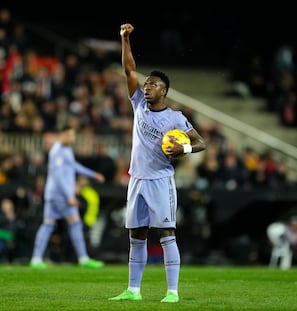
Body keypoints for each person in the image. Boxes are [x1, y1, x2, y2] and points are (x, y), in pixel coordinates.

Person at [109, 23, 206, 303]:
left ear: (164, 91)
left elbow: (201, 142)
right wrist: (125, 39)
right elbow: (129, 70)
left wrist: (183, 147)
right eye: (147, 83)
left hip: (161, 180)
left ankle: (172, 292)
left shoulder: (175, 118)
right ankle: (133, 290)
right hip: (137, 178)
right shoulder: (138, 103)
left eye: (153, 84)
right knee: (136, 235)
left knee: (166, 233)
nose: (147, 87)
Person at [29, 125, 105, 269]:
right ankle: (83, 259)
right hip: (60, 195)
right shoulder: (57, 151)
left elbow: (74, 166)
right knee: (75, 224)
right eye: (69, 135)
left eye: (73, 135)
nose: (72, 138)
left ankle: (36, 259)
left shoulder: (66, 149)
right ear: (61, 135)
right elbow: (58, 177)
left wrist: (93, 174)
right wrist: (69, 195)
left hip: (53, 194)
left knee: (48, 225)